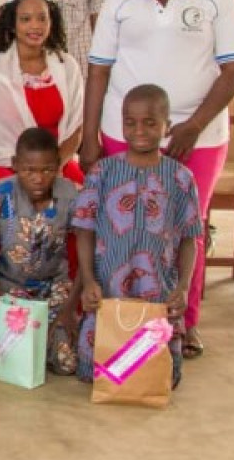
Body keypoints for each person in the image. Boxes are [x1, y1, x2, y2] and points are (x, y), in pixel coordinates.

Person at [81, 0, 234, 360]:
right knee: (120, 226)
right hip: (125, 129)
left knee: (183, 228)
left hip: (198, 134)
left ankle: (183, 320)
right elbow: (98, 71)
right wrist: (89, 134)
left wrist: (193, 126)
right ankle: (119, 312)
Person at [74, 84, 202, 388]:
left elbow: (189, 239)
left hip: (158, 290)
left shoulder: (181, 178)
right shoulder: (101, 172)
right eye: (130, 122)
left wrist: (183, 287)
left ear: (167, 126)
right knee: (99, 375)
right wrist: (89, 280)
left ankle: (148, 365)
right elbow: (84, 231)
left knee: (158, 377)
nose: (139, 130)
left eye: (150, 122)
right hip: (108, 288)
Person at [0, 128, 79, 374]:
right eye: (29, 170)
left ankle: (42, 342)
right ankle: (30, 344)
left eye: (47, 170)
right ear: (15, 165)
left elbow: (87, 246)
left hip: (54, 286)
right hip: (9, 285)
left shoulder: (71, 194)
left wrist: (71, 307)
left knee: (67, 364)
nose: (38, 178)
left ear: (59, 165)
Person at [0, 0, 85, 185]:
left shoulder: (66, 65)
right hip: (4, 162)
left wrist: (54, 167)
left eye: (42, 18)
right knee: (16, 201)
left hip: (57, 161)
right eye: (25, 19)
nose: (35, 26)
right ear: (12, 24)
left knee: (85, 196)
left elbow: (76, 128)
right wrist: (30, 169)